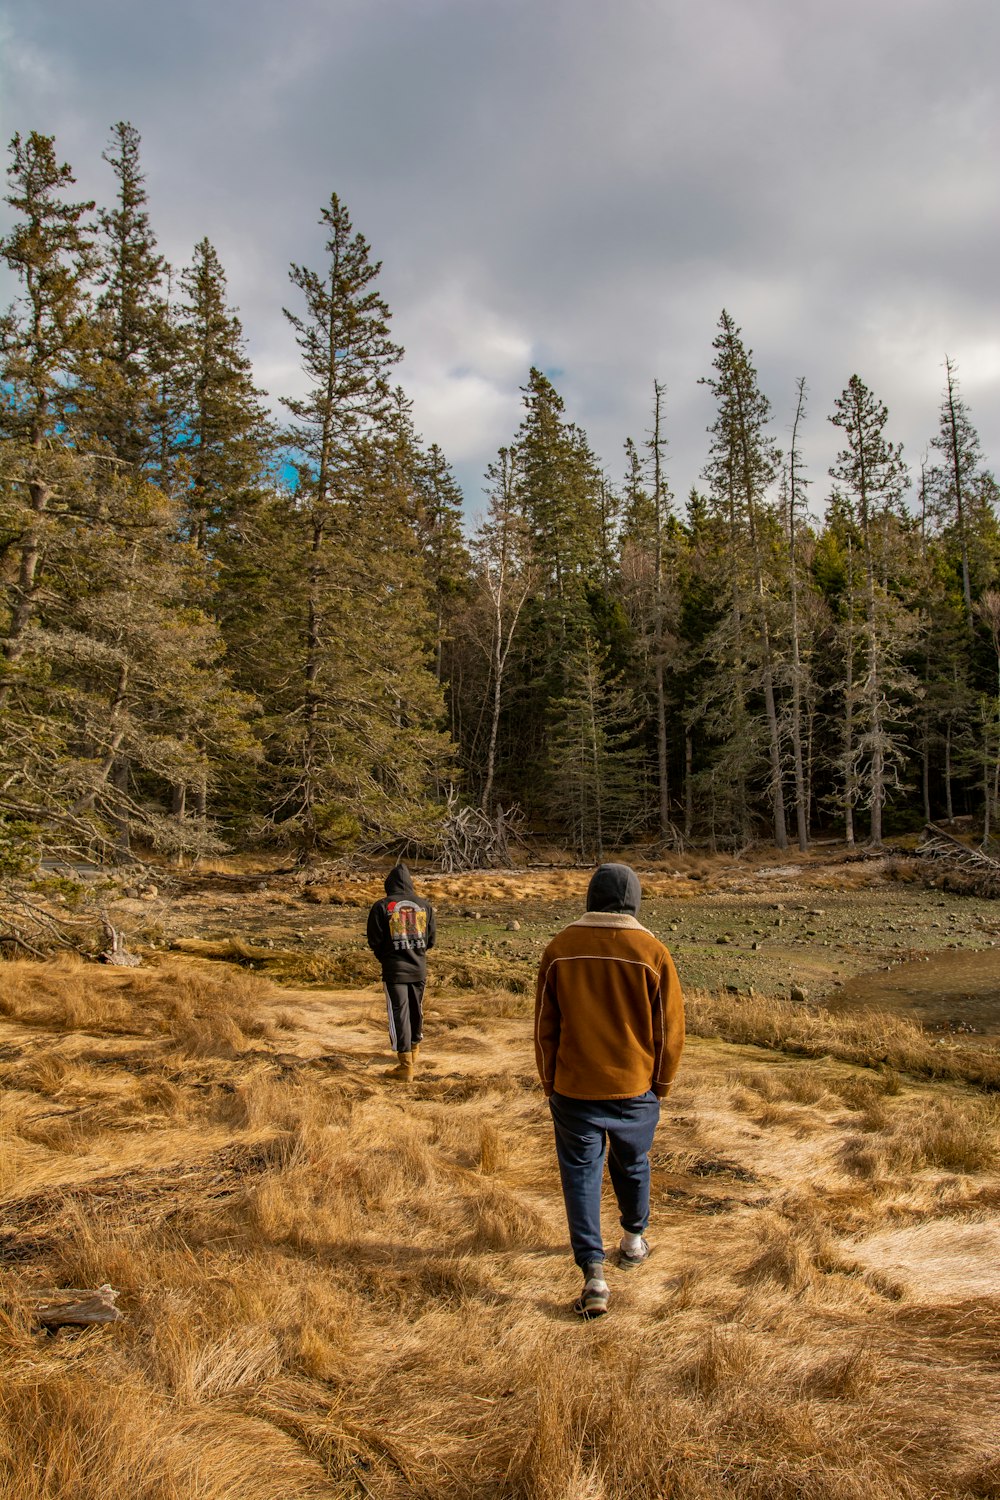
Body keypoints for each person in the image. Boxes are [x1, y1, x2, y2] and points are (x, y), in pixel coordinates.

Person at [534, 862, 684, 1319]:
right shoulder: (653, 952)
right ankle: (634, 1241)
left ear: (590, 897)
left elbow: (545, 1027)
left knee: (580, 1175)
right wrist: (661, 1085)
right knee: (633, 1163)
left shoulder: (559, 949)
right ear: (634, 900)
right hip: (635, 1085)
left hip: (574, 1087)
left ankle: (593, 1275)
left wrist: (550, 1082)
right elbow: (670, 1032)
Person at [366, 863, 436, 1083]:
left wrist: (385, 957)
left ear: (389, 884)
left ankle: (405, 1065)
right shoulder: (425, 906)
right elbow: (430, 940)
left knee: (399, 1013)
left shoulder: (382, 907)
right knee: (417, 1010)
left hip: (394, 969)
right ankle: (413, 1053)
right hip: (418, 967)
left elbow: (374, 940)